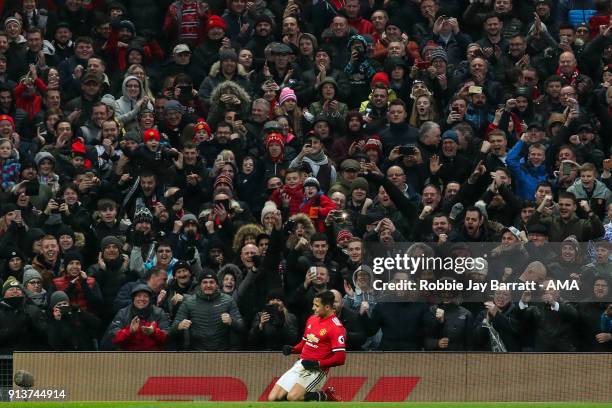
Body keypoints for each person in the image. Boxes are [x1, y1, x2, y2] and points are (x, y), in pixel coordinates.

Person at [268, 290, 344, 402]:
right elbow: (304, 343)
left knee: (293, 397)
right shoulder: (312, 319)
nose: (313, 308)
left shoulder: (336, 328)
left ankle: (326, 396)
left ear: (327, 307)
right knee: (273, 398)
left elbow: (340, 358)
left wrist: (317, 363)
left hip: (317, 370)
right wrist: (292, 349)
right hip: (301, 364)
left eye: (317, 306)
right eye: (314, 304)